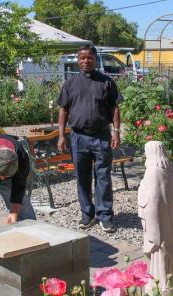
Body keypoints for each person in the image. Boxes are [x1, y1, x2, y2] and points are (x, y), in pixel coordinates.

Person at [56, 44, 123, 233]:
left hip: (101, 136)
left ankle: (105, 215)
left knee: (103, 177)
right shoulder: (70, 84)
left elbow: (115, 108)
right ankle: (87, 214)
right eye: (82, 58)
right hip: (79, 137)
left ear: (95, 59)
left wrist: (116, 132)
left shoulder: (106, 82)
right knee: (82, 178)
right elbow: (63, 109)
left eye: (89, 58)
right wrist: (62, 135)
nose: (86, 61)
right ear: (78, 60)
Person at [138, 141, 173, 296]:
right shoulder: (170, 168)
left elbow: (152, 202)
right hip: (171, 220)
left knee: (160, 252)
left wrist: (151, 228)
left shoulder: (153, 172)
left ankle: (163, 286)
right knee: (170, 250)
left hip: (158, 223)